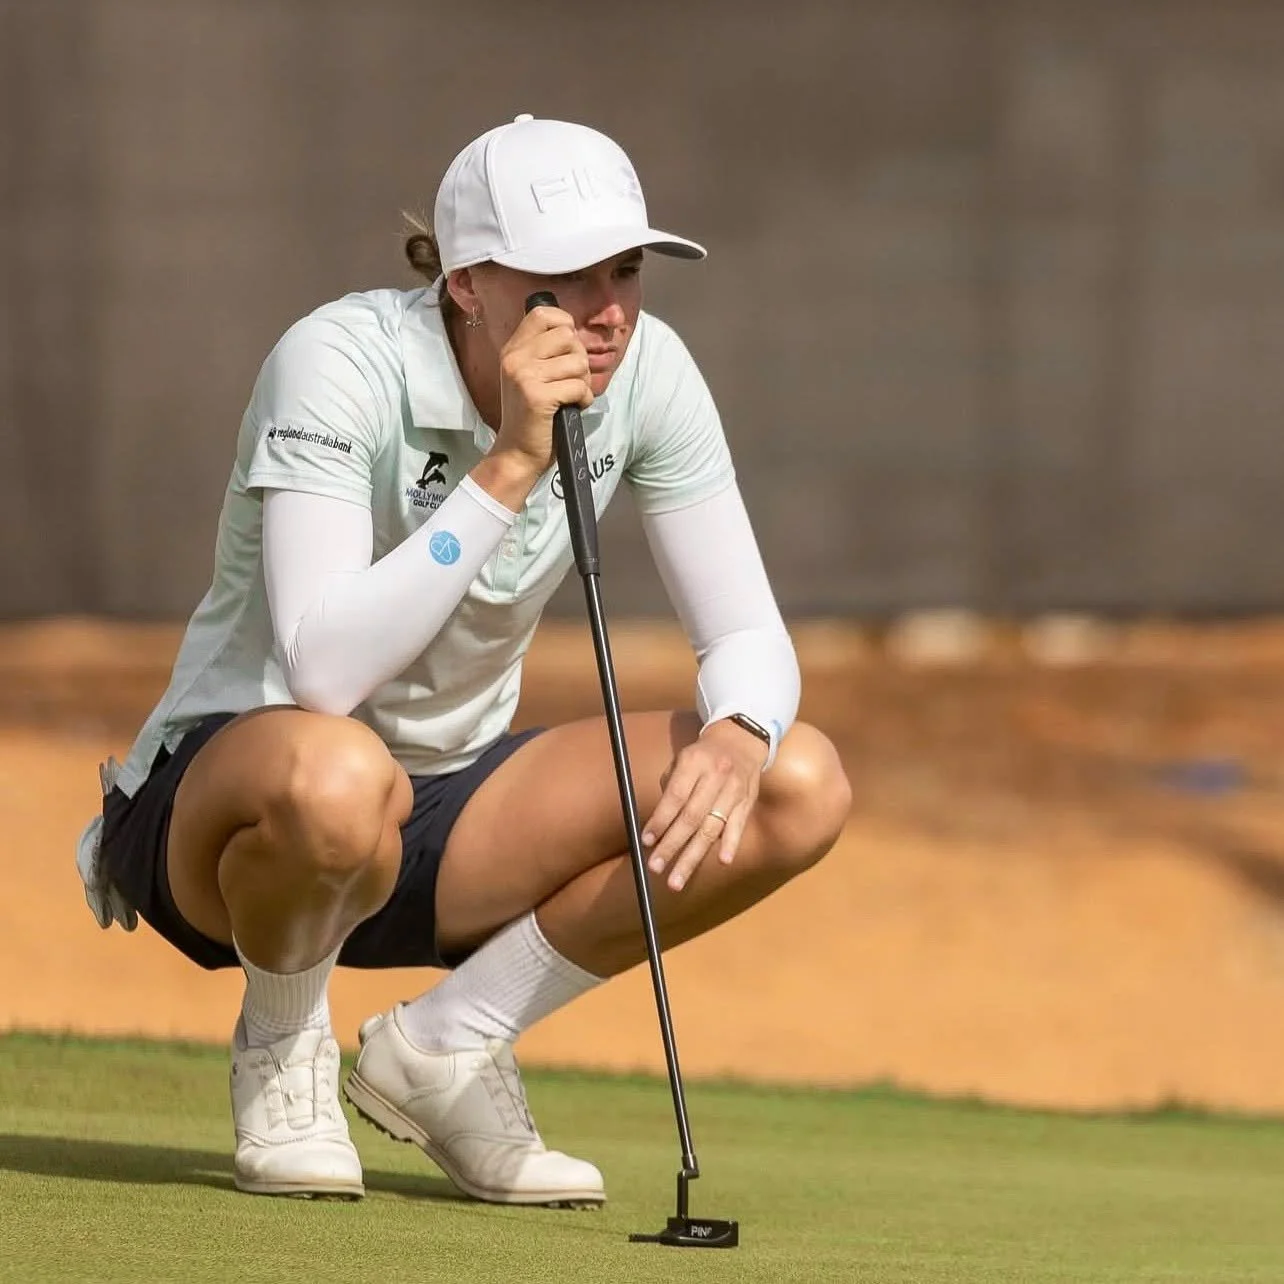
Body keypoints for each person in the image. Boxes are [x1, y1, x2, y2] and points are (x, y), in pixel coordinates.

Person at [75, 113, 853, 1205]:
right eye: (567, 279)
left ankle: (446, 1045)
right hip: (233, 816)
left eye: (626, 271)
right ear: (470, 285)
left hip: (442, 818)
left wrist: (736, 731)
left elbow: (745, 638)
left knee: (795, 780)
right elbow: (323, 675)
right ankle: (283, 1042)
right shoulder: (337, 360)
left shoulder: (650, 371)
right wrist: (509, 466)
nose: (611, 312)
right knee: (341, 773)